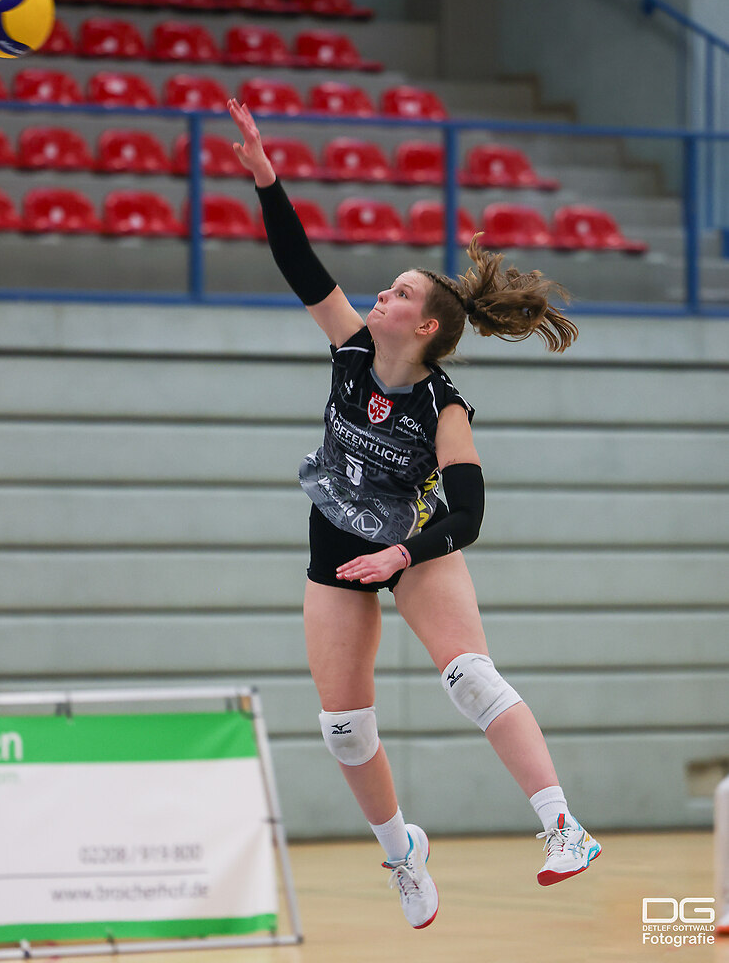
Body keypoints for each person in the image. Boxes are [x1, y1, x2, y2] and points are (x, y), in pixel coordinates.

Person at [228, 98, 602, 930]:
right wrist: (266, 178)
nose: (379, 293)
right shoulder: (352, 346)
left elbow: (468, 515)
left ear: (426, 325)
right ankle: (402, 852)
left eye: (397, 292)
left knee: (469, 676)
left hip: (415, 541)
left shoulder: (445, 407)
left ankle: (562, 826)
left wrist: (403, 556)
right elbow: (299, 262)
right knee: (343, 729)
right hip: (337, 535)